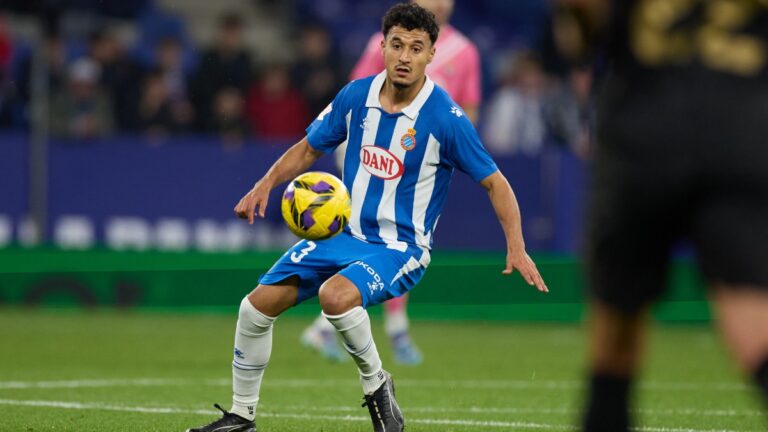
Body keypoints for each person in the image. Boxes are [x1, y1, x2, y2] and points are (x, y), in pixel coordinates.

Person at [186, 4, 547, 432]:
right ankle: (242, 416)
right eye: (397, 45)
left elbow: (496, 183)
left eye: (416, 48)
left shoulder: (446, 119)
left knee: (335, 298)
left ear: (431, 54)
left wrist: (517, 245)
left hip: (401, 246)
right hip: (345, 234)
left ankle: (378, 387)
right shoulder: (355, 96)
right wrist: (264, 184)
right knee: (253, 309)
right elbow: (307, 149)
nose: (405, 56)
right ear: (383, 47)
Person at [552, 1, 768, 431]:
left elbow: (581, 26)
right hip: (742, 130)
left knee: (614, 338)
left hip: (644, 129)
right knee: (754, 327)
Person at [302, 0, 483, 366]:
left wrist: (457, 150)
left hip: (421, 161)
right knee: (383, 240)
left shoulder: (465, 51)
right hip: (372, 154)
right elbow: (357, 92)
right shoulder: (382, 43)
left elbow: (470, 108)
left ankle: (327, 325)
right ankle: (393, 330)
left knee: (400, 241)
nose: (438, 4)